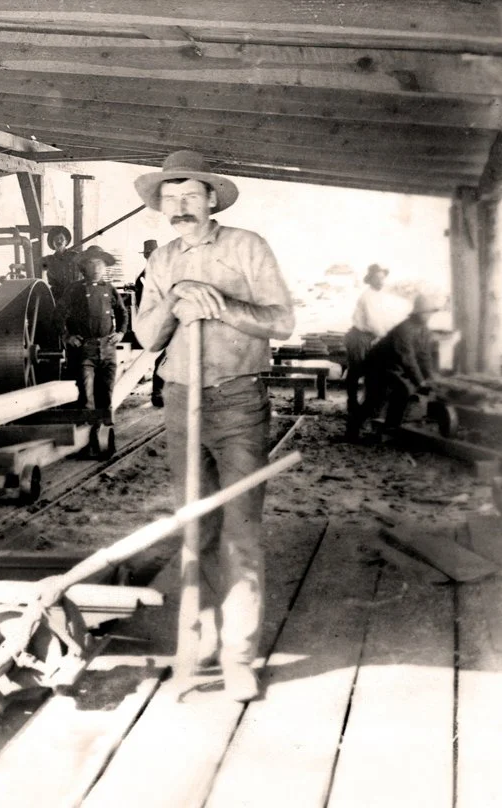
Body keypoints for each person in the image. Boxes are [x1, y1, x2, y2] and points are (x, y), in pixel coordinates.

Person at [132, 150, 295, 702]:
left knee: (240, 533)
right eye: (169, 199)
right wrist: (177, 297)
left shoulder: (247, 247)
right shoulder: (162, 261)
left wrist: (218, 305)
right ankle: (198, 639)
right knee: (193, 528)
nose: (178, 207)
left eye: (189, 196)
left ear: (210, 199)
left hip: (237, 401)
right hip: (181, 401)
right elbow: (146, 337)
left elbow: (283, 321)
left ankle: (238, 657)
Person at [350, 293, 441, 439]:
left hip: (394, 366)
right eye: (426, 312)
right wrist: (420, 381)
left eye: (430, 312)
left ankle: (390, 428)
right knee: (375, 399)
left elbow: (424, 356)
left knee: (403, 391)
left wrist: (431, 378)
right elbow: (407, 358)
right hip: (377, 365)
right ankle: (352, 430)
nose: (428, 316)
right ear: (418, 312)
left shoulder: (424, 330)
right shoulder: (404, 329)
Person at [59, 245, 128, 423]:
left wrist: (121, 332)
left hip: (108, 348)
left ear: (105, 267)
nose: (96, 268)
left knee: (106, 395)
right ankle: (89, 435)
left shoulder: (109, 288)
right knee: (86, 398)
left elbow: (122, 312)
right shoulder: (74, 289)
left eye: (100, 264)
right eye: (92, 263)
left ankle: (106, 433)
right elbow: (58, 315)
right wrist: (67, 336)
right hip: (84, 350)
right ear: (84, 267)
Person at [343, 263, 407, 436]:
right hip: (359, 336)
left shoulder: (380, 296)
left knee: (370, 371)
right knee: (357, 369)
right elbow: (373, 321)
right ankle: (352, 403)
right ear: (370, 279)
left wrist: (394, 331)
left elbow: (385, 318)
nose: (380, 281)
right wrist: (386, 337)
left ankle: (366, 405)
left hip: (370, 336)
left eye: (382, 278)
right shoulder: (367, 296)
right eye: (377, 278)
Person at [133, 239, 167, 407]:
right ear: (145, 256)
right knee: (160, 356)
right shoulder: (142, 279)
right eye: (149, 254)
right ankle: (158, 392)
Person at [40, 225, 80, 302]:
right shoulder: (48, 260)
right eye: (56, 239)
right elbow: (33, 265)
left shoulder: (75, 256)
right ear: (52, 243)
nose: (59, 241)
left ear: (66, 241)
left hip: (75, 295)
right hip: (57, 297)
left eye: (61, 238)